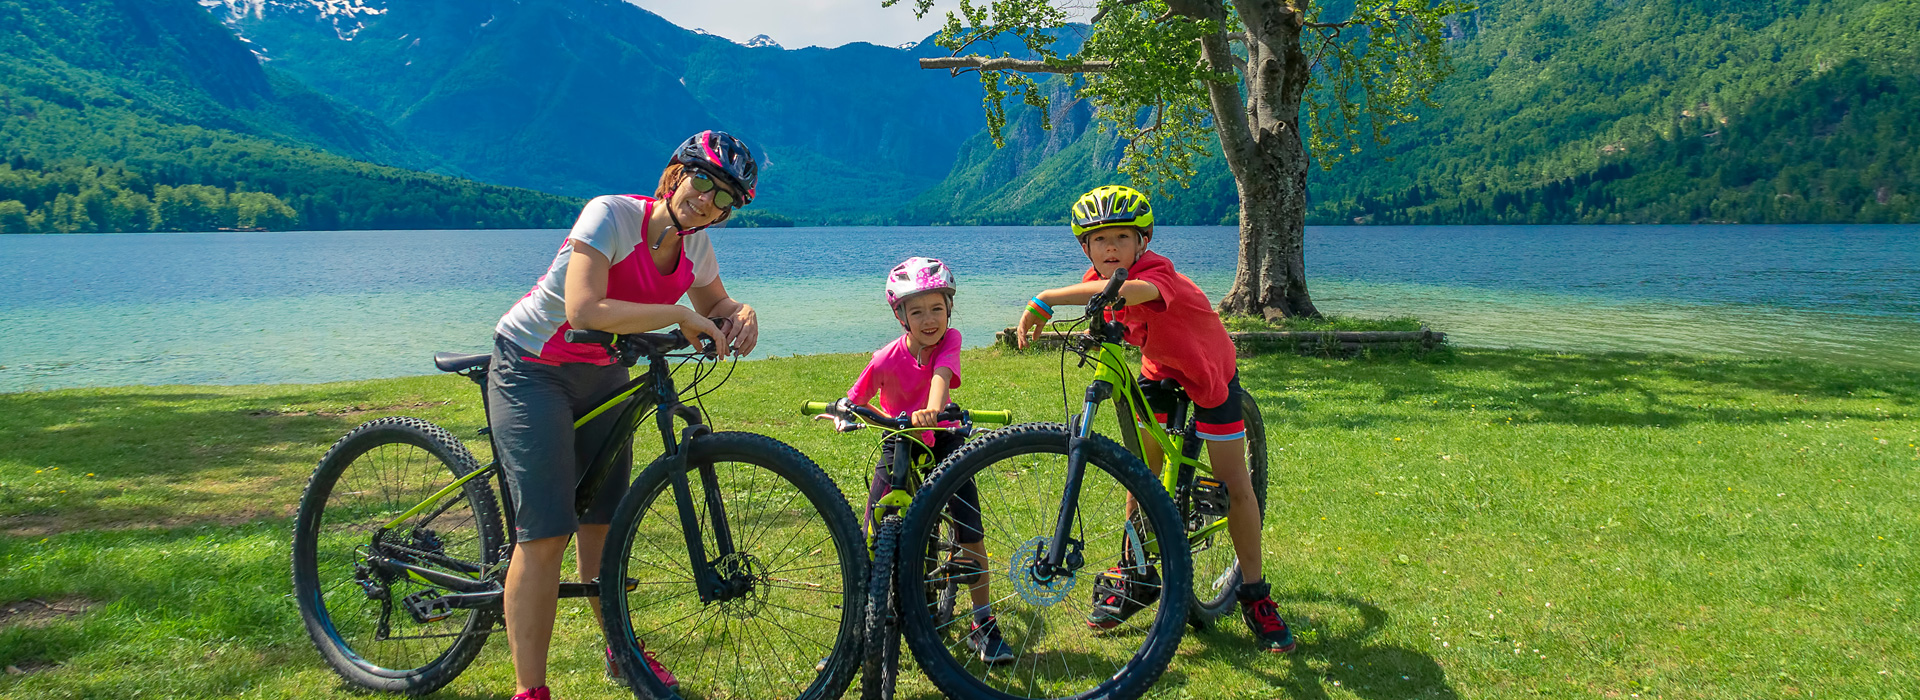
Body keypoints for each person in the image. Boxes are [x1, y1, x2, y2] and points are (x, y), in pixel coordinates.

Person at [488, 131, 763, 700]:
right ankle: (529, 690)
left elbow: (717, 304)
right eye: (704, 180)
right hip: (533, 365)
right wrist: (677, 312)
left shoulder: (695, 247)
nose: (708, 201)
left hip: (605, 370)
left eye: (725, 199)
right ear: (676, 174)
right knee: (545, 533)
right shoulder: (609, 216)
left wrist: (741, 314)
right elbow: (582, 307)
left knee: (605, 524)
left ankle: (621, 651)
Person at [1013, 185, 1296, 653]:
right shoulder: (1095, 280)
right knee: (1140, 474)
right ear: (1085, 246)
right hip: (1160, 371)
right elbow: (1111, 313)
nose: (1110, 248)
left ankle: (1253, 592)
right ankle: (1138, 572)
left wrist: (1045, 298)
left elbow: (1137, 293)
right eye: (1098, 239)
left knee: (1233, 481)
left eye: (1122, 237)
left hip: (1209, 374)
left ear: (1141, 243)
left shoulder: (1154, 271)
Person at [829, 257, 1015, 664]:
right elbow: (855, 397)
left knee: (969, 526)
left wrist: (932, 409)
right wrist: (842, 413)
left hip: (944, 436)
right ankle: (858, 630)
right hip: (899, 439)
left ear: (949, 309)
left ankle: (982, 622)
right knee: (872, 529)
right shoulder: (883, 358)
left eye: (937, 309)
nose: (929, 320)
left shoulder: (951, 340)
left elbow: (941, 377)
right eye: (917, 312)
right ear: (901, 316)